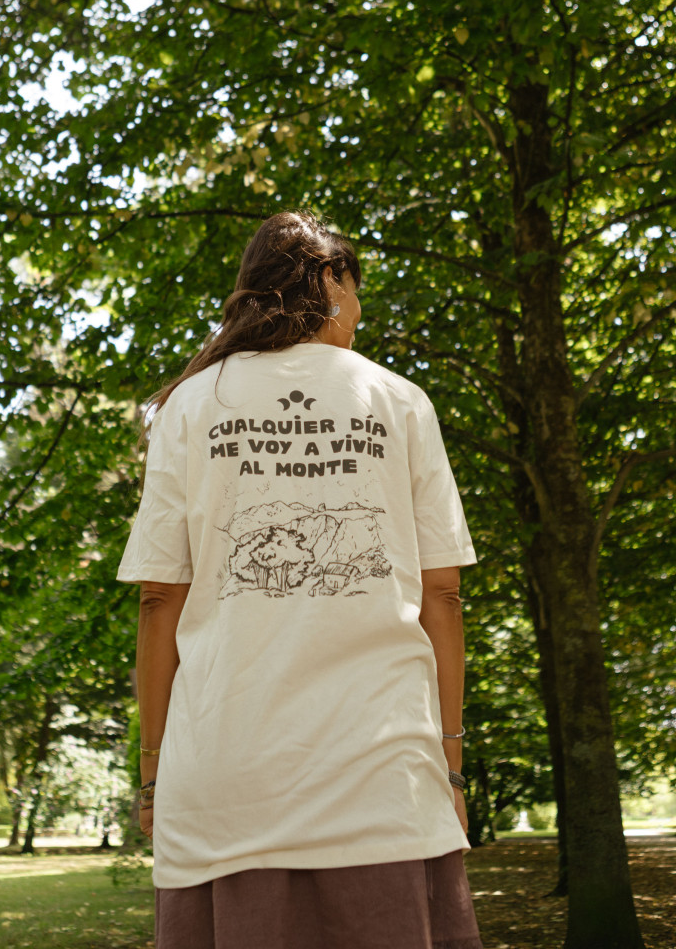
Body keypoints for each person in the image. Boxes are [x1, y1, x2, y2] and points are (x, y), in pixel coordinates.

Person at [117, 210, 483, 949]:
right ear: (329, 280)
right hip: (383, 778)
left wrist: (154, 775)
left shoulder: (191, 404)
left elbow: (160, 598)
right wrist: (450, 766)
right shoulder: (400, 400)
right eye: (356, 289)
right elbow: (441, 594)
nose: (360, 310)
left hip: (226, 782)